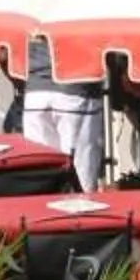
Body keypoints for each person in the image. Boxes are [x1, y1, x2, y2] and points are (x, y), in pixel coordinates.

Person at [18, 39, 107, 190]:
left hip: (36, 91)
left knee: (41, 174)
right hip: (77, 89)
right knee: (80, 175)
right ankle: (82, 211)